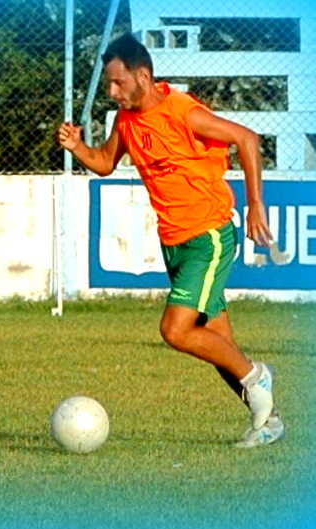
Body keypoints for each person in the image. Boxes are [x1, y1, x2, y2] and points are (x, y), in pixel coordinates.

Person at [57, 34, 282, 448]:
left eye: (118, 83)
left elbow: (247, 139)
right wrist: (77, 147)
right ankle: (268, 422)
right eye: (108, 84)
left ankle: (257, 377)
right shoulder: (126, 121)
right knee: (218, 345)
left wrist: (255, 205)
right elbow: (105, 164)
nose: (112, 92)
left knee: (176, 330)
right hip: (173, 243)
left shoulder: (183, 112)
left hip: (208, 236)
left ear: (143, 76)